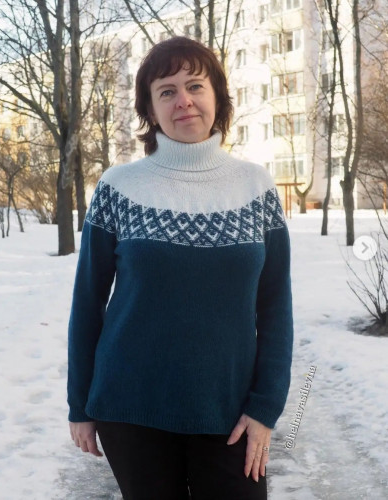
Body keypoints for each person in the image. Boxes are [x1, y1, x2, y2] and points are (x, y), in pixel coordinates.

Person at [67, 36, 294, 500]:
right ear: (150, 110)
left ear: (218, 96)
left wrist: (266, 407)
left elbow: (276, 307)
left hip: (230, 414)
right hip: (131, 410)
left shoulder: (256, 187)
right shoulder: (118, 187)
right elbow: (87, 303)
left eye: (195, 86)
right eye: (166, 91)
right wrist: (79, 405)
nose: (183, 100)